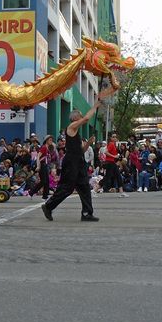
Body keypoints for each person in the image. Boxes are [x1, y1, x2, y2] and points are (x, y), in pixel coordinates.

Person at [41, 87, 114, 221]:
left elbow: (81, 151)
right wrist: (95, 105)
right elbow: (86, 119)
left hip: (78, 161)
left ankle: (87, 213)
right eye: (79, 115)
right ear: (75, 117)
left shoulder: (76, 133)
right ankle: (48, 206)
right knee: (67, 188)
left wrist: (89, 143)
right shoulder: (71, 127)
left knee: (84, 187)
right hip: (71, 162)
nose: (81, 117)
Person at [29, 135, 56, 199]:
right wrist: (38, 166)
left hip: (45, 165)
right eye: (50, 140)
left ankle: (45, 196)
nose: (51, 141)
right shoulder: (44, 147)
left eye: (52, 140)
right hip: (42, 165)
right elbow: (38, 156)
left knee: (47, 181)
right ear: (46, 141)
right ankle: (32, 192)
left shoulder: (48, 148)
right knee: (43, 181)